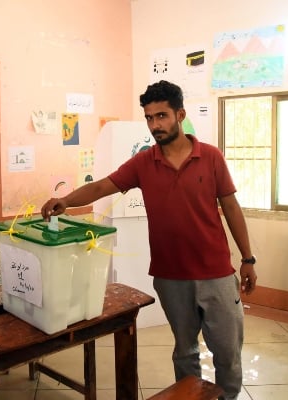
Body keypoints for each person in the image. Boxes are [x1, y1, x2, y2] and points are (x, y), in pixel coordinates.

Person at [41, 80, 257, 400]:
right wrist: (66, 200)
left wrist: (248, 258)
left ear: (180, 114)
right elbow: (103, 186)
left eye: (162, 116)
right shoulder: (144, 162)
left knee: (227, 353)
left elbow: (231, 208)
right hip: (171, 276)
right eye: (149, 117)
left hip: (217, 275)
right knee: (184, 352)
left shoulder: (210, 158)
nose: (155, 124)